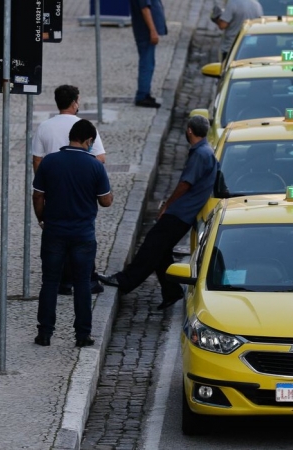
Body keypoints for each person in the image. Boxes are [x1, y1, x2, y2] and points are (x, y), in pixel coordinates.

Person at [98, 116, 218, 310]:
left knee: (152, 246)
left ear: (189, 131)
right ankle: (172, 292)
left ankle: (125, 280)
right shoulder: (206, 151)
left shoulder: (200, 154)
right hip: (185, 213)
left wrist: (167, 205)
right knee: (161, 251)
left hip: (180, 212)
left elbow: (185, 184)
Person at [32, 119, 113, 347]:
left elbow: (38, 195)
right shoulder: (95, 166)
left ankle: (45, 333)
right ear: (88, 141)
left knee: (49, 282)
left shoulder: (50, 162)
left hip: (54, 231)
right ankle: (82, 335)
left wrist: (42, 218)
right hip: (83, 235)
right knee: (82, 283)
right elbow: (105, 201)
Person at [32, 84, 106, 296]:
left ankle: (63, 281)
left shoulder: (44, 127)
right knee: (84, 233)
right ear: (75, 103)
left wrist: (45, 182)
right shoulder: (84, 126)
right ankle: (87, 279)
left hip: (54, 188)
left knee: (57, 234)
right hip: (81, 187)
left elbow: (37, 160)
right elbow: (100, 158)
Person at [130, 0, 168, 108]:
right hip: (145, 32)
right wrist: (153, 30)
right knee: (147, 64)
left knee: (148, 62)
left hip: (143, 31)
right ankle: (142, 95)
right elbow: (145, 9)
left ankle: (145, 93)